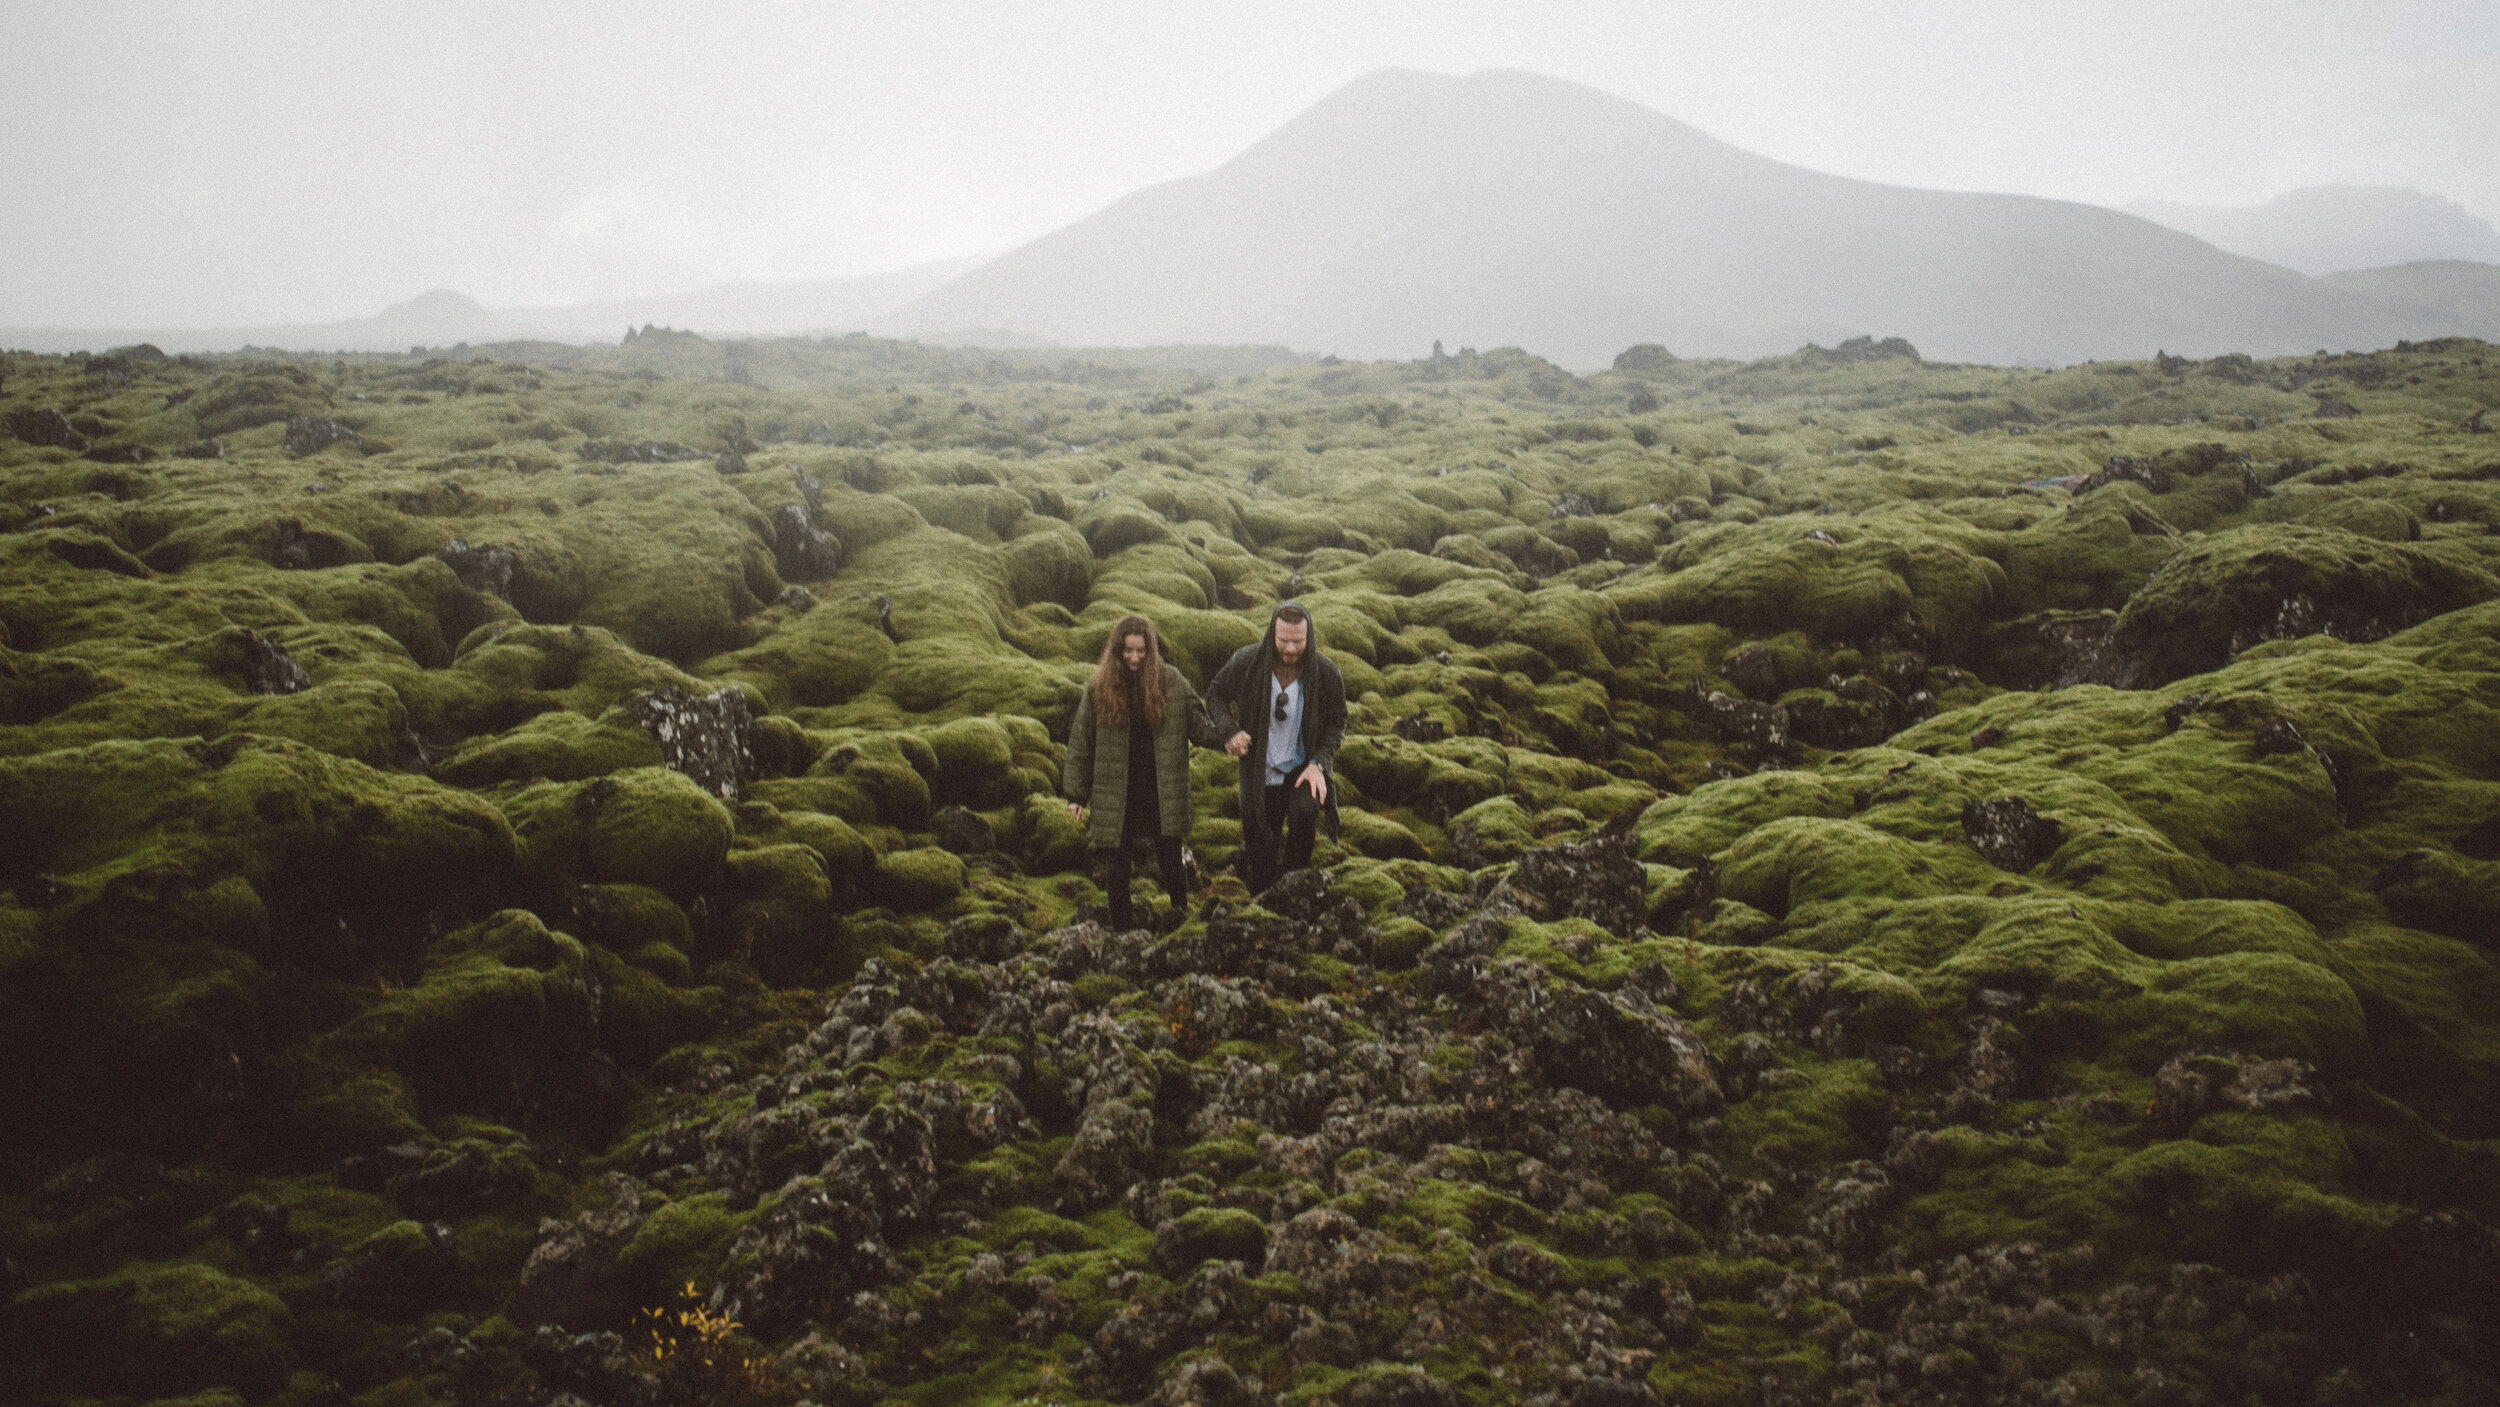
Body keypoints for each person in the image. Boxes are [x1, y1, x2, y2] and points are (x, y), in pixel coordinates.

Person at [1061, 614, 1219, 930]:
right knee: (1117, 865)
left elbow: (1200, 727)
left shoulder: (1172, 682)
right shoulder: (1098, 687)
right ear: (1117, 650)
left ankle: (1180, 917)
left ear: (1151, 650)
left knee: (1171, 858)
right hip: (1116, 791)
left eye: (1141, 651)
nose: (1134, 658)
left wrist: (1233, 737)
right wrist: (1075, 795)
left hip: (1161, 788)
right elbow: (1082, 743)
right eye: (1128, 651)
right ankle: (1122, 930)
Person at [1207, 600, 1344, 894]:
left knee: (1305, 813)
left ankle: (1294, 887)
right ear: (1272, 634)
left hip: (1301, 768)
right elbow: (1216, 694)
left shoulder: (1325, 673)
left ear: (1309, 638)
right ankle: (1262, 898)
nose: (1291, 649)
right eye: (1283, 641)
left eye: (1298, 642)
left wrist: (1318, 762)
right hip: (1259, 773)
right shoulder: (1247, 662)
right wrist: (1229, 732)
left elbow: (1337, 722)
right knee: (1260, 847)